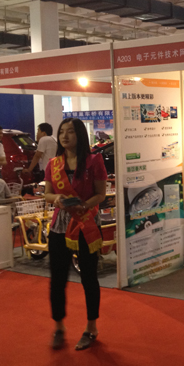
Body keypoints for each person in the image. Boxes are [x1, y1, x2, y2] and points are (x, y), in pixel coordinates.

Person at [44, 118, 107, 351]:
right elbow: (47, 194)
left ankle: (91, 327)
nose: (65, 136)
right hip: (60, 226)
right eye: (62, 132)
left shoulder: (94, 161)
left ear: (80, 135)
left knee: (88, 277)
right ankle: (59, 326)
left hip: (86, 223)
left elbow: (101, 194)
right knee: (57, 279)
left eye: (70, 131)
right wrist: (57, 198)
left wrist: (85, 205)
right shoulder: (53, 164)